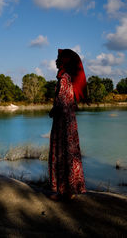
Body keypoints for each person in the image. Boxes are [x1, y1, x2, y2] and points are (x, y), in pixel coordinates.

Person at [48, 48, 87, 201]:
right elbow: (70, 102)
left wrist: (53, 110)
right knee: (69, 155)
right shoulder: (68, 77)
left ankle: (63, 192)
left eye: (59, 58)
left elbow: (62, 102)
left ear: (64, 61)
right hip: (69, 123)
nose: (56, 61)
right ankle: (69, 190)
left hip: (62, 124)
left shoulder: (64, 78)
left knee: (62, 154)